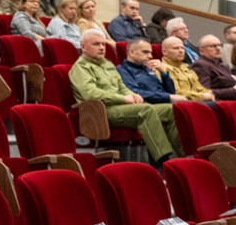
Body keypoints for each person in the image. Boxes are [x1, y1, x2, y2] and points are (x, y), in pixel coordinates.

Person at [69, 30, 180, 163]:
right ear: (83, 46)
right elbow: (91, 94)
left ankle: (182, 157)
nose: (101, 48)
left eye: (103, 44)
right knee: (145, 110)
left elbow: (121, 86)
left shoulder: (107, 64)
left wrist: (133, 95)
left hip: (121, 107)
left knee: (170, 109)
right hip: (102, 111)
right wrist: (122, 98)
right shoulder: (80, 68)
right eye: (96, 44)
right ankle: (163, 160)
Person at [117, 38, 183, 105]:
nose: (150, 56)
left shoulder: (149, 68)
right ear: (132, 52)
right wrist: (168, 97)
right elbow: (134, 92)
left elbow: (171, 92)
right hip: (147, 106)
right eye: (145, 52)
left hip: (165, 103)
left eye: (151, 53)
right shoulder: (122, 70)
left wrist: (164, 73)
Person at [154, 36, 212, 101]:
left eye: (182, 48)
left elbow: (200, 88)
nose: (181, 51)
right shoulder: (161, 69)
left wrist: (210, 93)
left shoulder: (186, 68)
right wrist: (202, 96)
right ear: (164, 52)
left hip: (197, 101)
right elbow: (176, 93)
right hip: (180, 103)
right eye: (176, 48)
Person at [192, 34, 236, 101]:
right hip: (220, 103)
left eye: (219, 45)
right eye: (213, 46)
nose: (218, 48)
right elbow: (205, 92)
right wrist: (233, 90)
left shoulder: (222, 66)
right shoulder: (200, 65)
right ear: (201, 50)